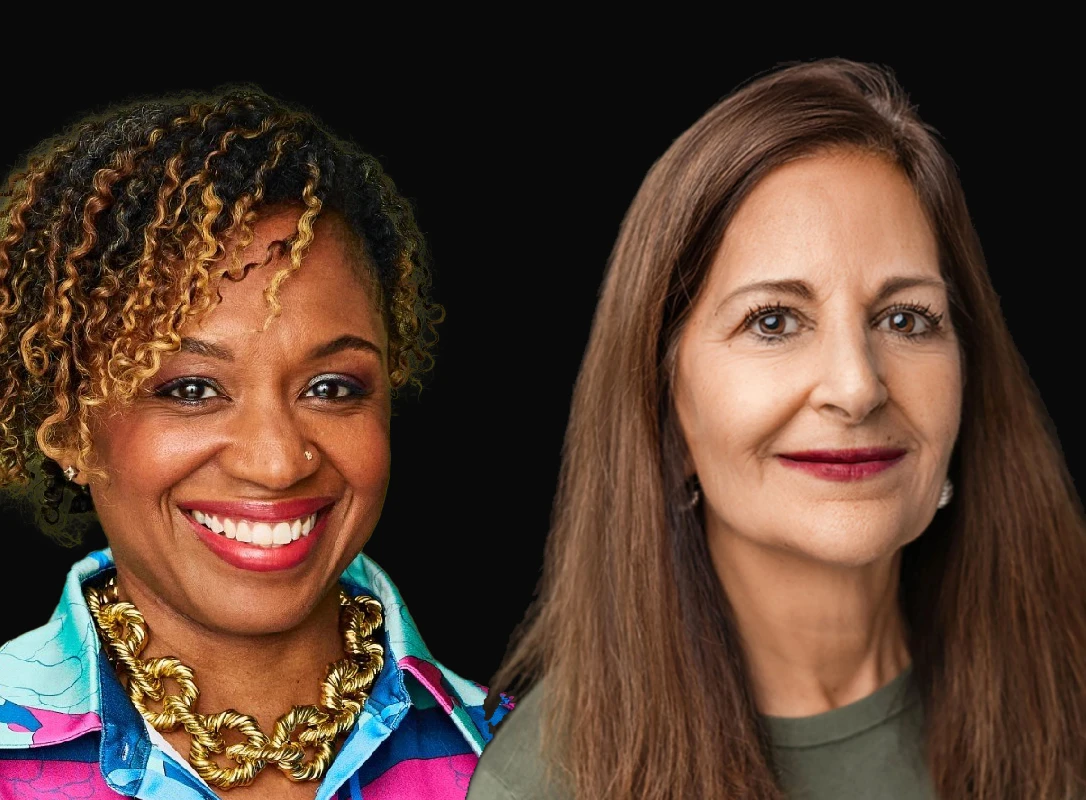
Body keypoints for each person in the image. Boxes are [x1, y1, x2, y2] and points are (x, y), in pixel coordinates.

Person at [468, 58, 1086, 799]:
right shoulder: (546, 784)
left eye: (905, 318)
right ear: (665, 402)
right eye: (774, 321)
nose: (858, 387)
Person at [0, 87, 513, 799]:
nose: (275, 463)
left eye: (331, 387)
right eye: (190, 390)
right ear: (68, 425)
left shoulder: (529, 762)